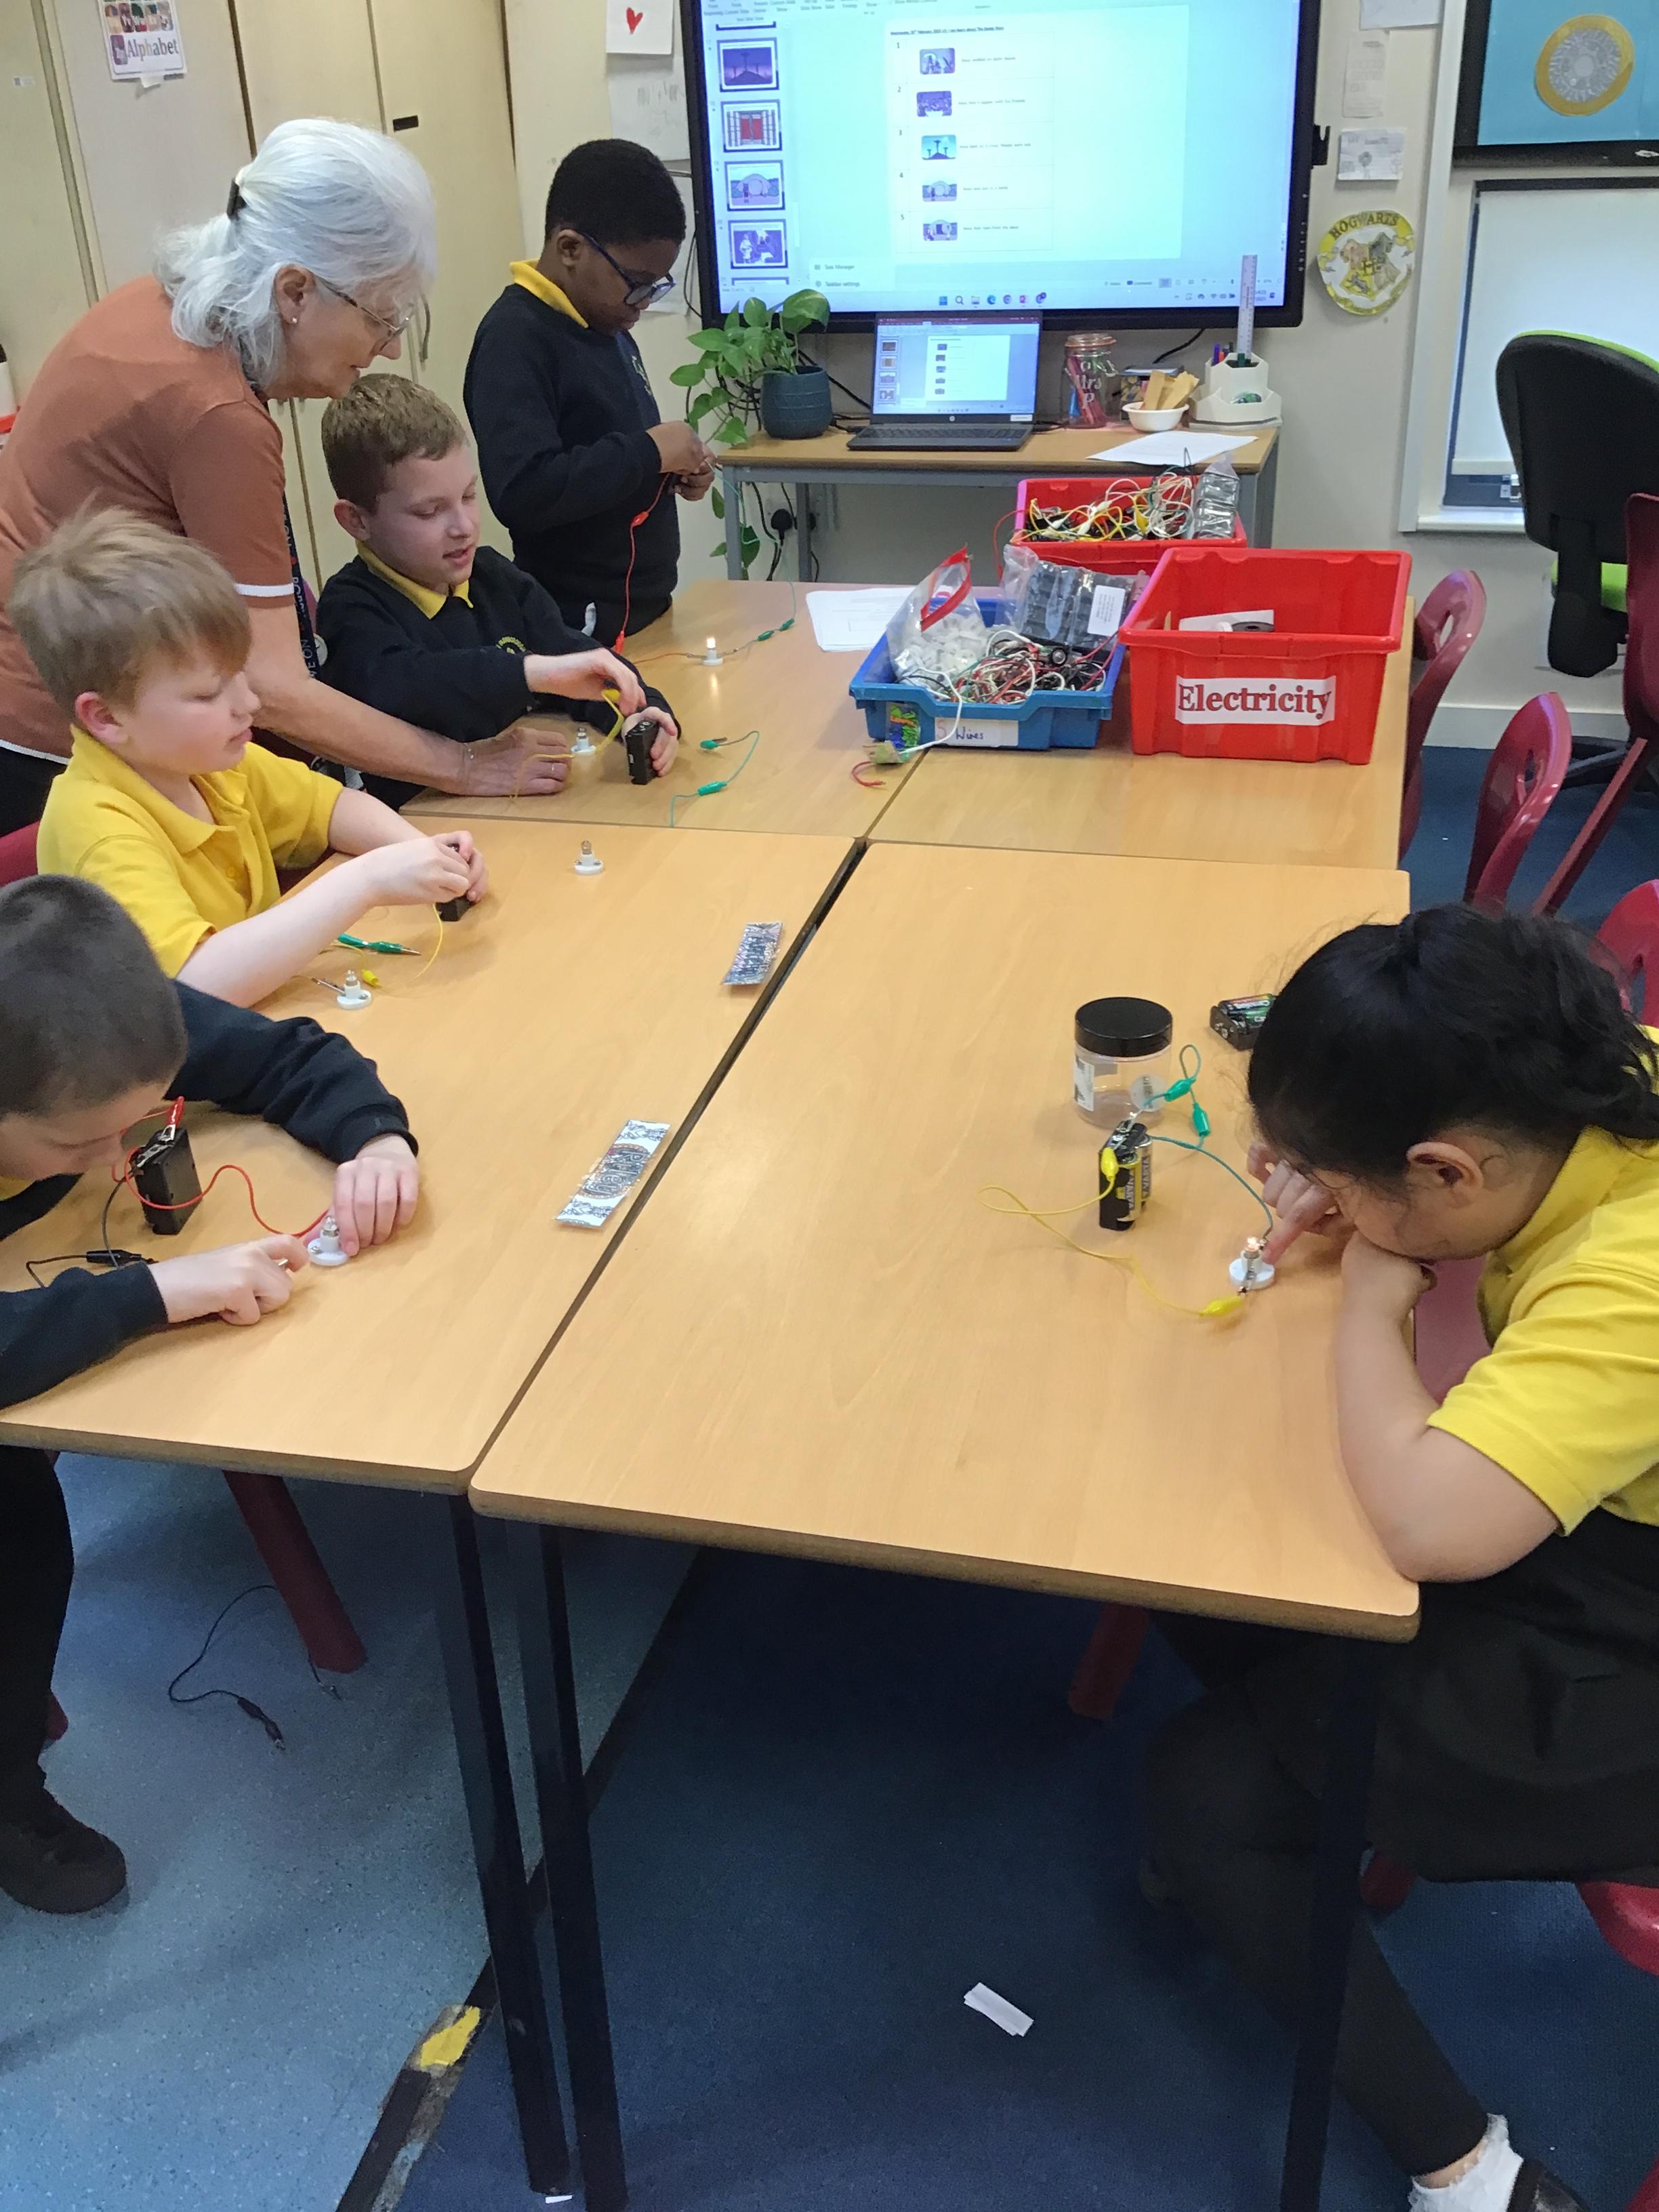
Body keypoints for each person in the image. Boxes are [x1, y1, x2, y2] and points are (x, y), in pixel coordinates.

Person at [1143, 905, 1659, 2212]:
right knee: (1238, 1577)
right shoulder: (1593, 1078)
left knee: (1207, 1795)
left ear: (1444, 1169)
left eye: (1338, 1175)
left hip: (1630, 1626)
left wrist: (1375, 1289)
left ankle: (1470, 2175)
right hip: (1603, 1523)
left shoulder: (1633, 1276)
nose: (1315, 1195)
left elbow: (1434, 1523)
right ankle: (1310, 1809)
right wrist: (1373, 1198)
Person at [0, 874, 422, 1913]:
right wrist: (152, 1293)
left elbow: (284, 1056)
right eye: (78, 1146)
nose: (117, 1160)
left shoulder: (89, 1026)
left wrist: (376, 1138)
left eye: (140, 1121)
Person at [0, 118, 567, 836]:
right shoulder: (217, 412)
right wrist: (463, 766)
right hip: (63, 737)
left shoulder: (157, 306)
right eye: (382, 317)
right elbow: (271, 688)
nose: (390, 348)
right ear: (295, 292)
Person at [16, 508, 486, 1009]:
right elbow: (196, 986)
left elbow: (331, 808)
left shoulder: (207, 764)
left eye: (240, 674)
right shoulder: (98, 828)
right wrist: (368, 881)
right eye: (208, 693)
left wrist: (423, 855)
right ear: (107, 717)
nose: (249, 703)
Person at [314, 375, 678, 808]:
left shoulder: (492, 576)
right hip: (425, 821)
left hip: (516, 808)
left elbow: (573, 656)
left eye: (469, 496)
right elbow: (412, 684)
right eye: (429, 512)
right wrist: (532, 673)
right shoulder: (350, 606)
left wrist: (642, 710)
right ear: (357, 520)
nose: (463, 526)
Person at [463, 138, 716, 646]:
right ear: (570, 249)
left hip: (649, 611)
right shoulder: (514, 338)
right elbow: (524, 490)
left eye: (657, 286)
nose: (644, 302)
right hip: (578, 626)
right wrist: (649, 452)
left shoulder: (608, 326)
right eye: (636, 282)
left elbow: (609, 460)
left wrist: (673, 470)